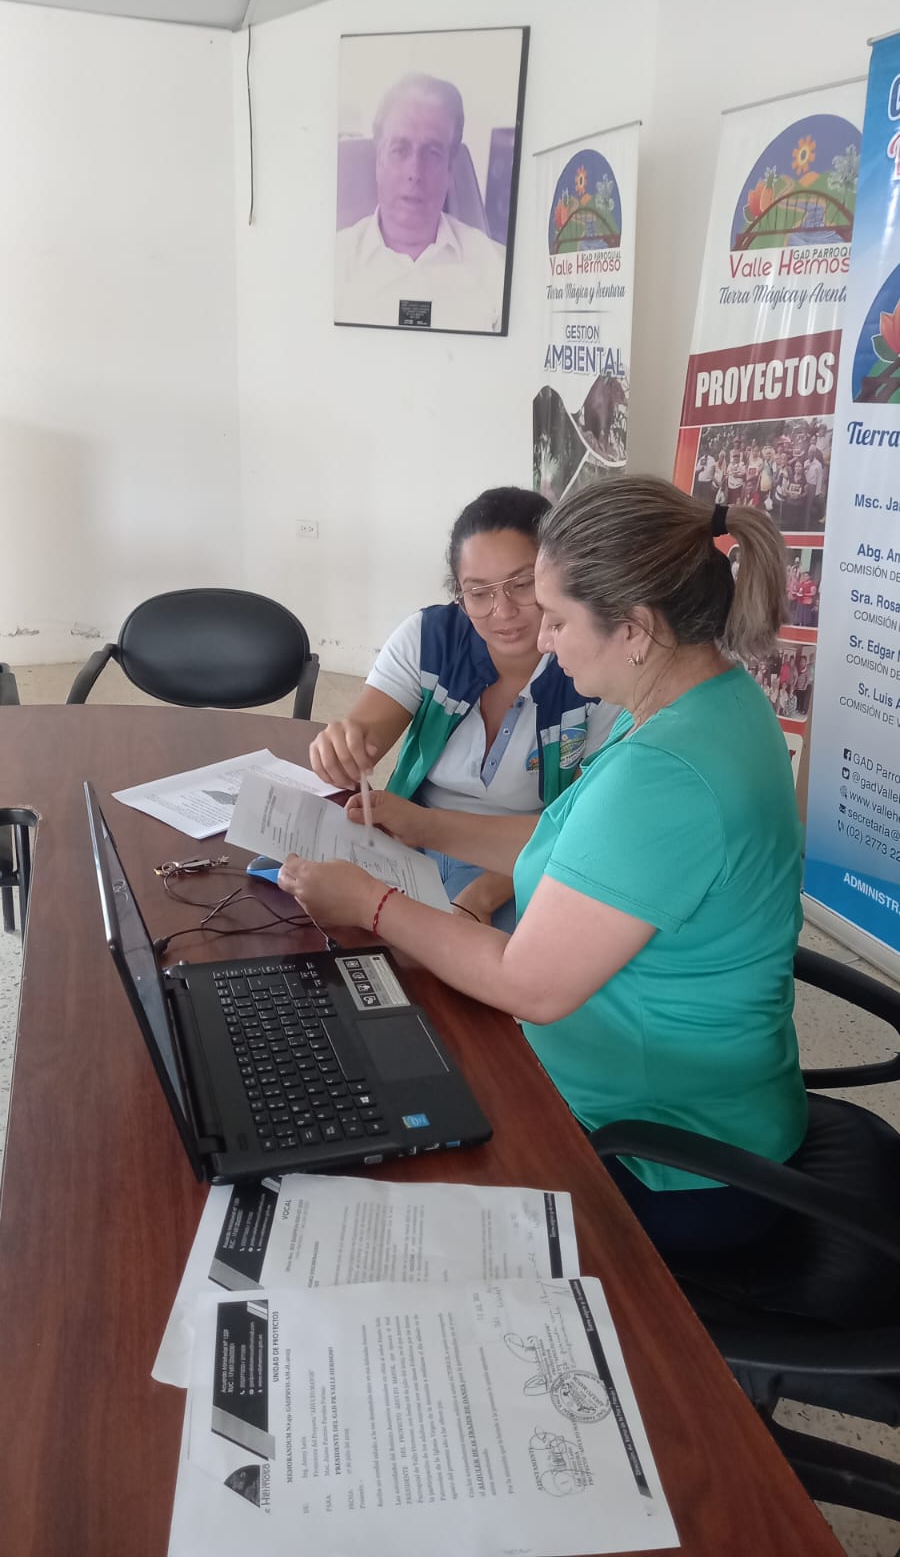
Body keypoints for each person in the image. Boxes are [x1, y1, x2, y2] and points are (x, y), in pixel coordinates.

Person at [285, 476, 808, 1254]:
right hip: (694, 1107)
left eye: (556, 619)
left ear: (634, 628)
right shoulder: (703, 702)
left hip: (669, 1159)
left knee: (363, 1175)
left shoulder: (664, 775)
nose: (544, 641)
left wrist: (370, 904)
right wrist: (420, 824)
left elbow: (528, 984)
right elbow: (576, 851)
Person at [309, 486, 620, 931]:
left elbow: (578, 831)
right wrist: (343, 747)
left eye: (522, 584)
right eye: (478, 593)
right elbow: (364, 733)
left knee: (482, 957)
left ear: (557, 576)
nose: (502, 611)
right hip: (410, 837)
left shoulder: (593, 670)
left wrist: (483, 894)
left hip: (521, 860)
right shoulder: (430, 638)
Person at [334, 72, 505, 332]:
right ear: (379, 161)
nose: (415, 172)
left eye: (433, 153)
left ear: (449, 169)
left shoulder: (495, 268)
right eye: (399, 150)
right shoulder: (332, 264)